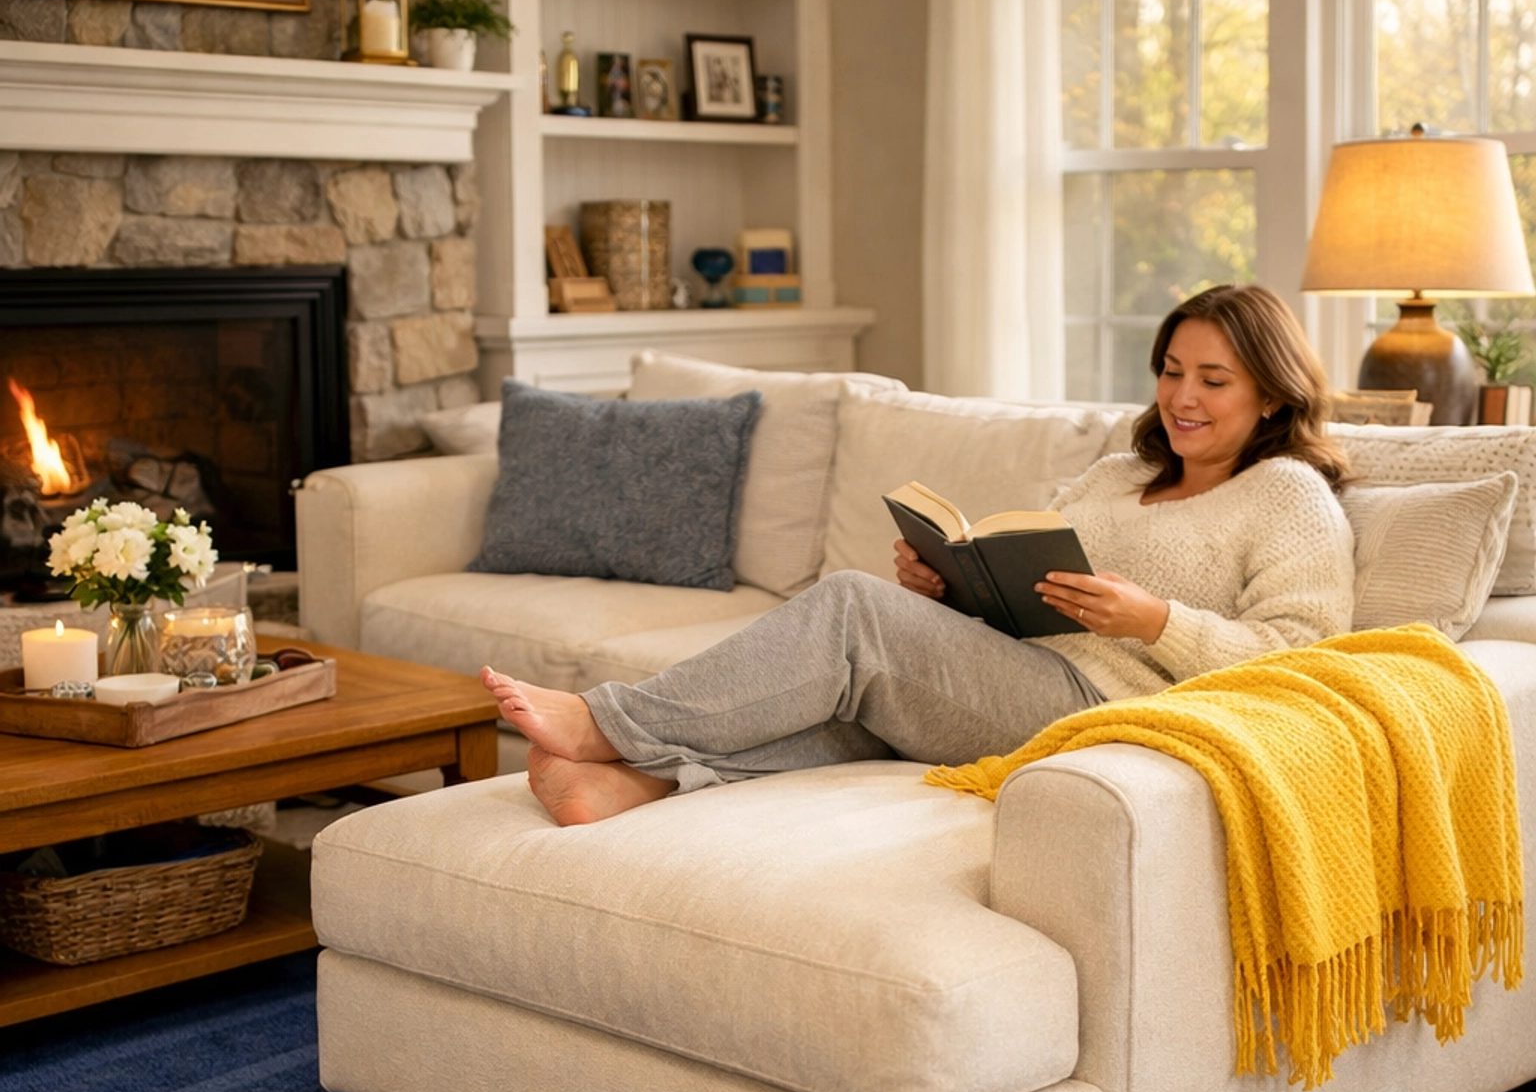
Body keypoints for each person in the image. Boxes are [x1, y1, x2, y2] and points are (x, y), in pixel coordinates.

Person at [484, 284, 1356, 826]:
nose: (1182, 396)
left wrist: (1157, 621)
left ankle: (611, 724)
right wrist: (952, 589)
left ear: (1272, 392)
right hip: (1018, 666)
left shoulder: (1287, 494)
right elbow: (1030, 585)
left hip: (1103, 707)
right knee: (843, 693)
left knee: (853, 609)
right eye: (1171, 371)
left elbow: (1302, 659)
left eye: (1213, 379)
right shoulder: (1118, 472)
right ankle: (640, 785)